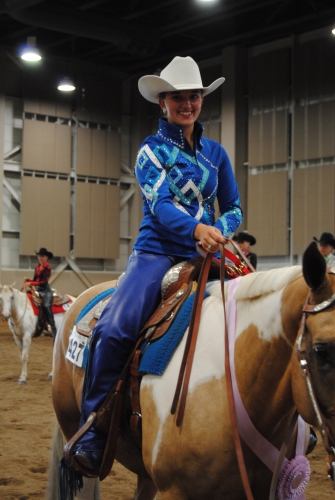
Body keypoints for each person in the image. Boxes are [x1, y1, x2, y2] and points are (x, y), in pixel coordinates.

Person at [72, 55, 243, 471]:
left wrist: (219, 228)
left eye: (194, 96)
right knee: (115, 330)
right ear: (162, 102)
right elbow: (161, 206)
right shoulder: (151, 150)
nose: (188, 104)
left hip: (207, 248)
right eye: (178, 97)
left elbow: (235, 207)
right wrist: (197, 231)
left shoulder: (216, 154)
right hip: (157, 252)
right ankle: (91, 428)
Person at [21, 247, 57, 338]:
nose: (40, 257)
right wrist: (28, 280)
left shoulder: (47, 267)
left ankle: (53, 328)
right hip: (38, 290)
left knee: (46, 305)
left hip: (45, 290)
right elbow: (35, 280)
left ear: (46, 257)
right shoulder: (37, 267)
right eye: (39, 256)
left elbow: (44, 282)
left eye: (42, 256)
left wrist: (30, 283)